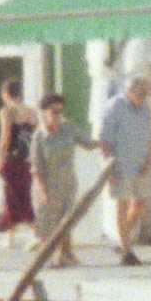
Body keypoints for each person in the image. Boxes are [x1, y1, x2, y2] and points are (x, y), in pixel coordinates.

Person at [97, 69, 151, 264]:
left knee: (139, 204)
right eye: (140, 93)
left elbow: (149, 137)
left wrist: (148, 160)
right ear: (129, 90)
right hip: (120, 164)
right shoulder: (115, 106)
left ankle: (122, 240)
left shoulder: (145, 109)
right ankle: (127, 251)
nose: (143, 97)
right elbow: (104, 138)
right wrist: (109, 166)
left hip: (140, 163)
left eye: (145, 93)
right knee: (121, 204)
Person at [33, 89, 86, 266]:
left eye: (60, 111)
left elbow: (86, 143)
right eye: (53, 111)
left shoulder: (68, 129)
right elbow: (36, 168)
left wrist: (106, 144)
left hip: (68, 182)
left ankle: (66, 253)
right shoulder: (39, 137)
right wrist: (43, 191)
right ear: (44, 112)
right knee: (48, 222)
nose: (57, 115)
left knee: (67, 220)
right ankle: (46, 258)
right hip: (48, 184)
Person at [0, 81, 37, 243]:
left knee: (10, 195)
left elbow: (5, 139)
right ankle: (25, 232)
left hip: (11, 158)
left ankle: (15, 234)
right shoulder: (31, 112)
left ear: (5, 94)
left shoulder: (6, 112)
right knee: (24, 194)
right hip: (26, 160)